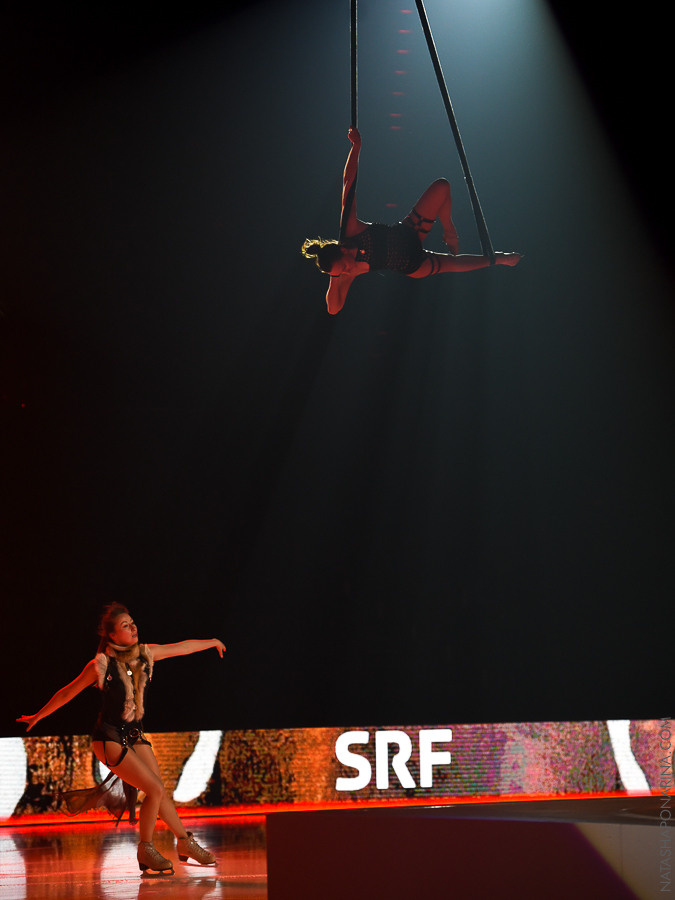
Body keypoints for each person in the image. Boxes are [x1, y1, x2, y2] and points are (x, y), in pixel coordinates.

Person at [17, 602, 226, 876]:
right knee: (153, 789)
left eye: (133, 622)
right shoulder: (101, 664)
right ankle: (146, 848)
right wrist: (38, 716)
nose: (133, 627)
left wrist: (212, 641)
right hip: (109, 738)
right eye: (125, 625)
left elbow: (181, 647)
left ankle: (185, 843)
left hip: (135, 735)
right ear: (113, 635)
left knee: (158, 790)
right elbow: (67, 693)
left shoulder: (146, 654)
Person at [301, 127, 522, 315]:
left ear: (342, 249)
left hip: (408, 231)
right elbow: (333, 308)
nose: (348, 270)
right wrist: (334, 275)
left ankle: (450, 232)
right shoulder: (346, 274)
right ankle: (499, 260)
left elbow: (348, 183)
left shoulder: (350, 230)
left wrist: (356, 147)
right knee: (454, 264)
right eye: (343, 271)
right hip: (413, 264)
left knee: (442, 186)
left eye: (345, 266)